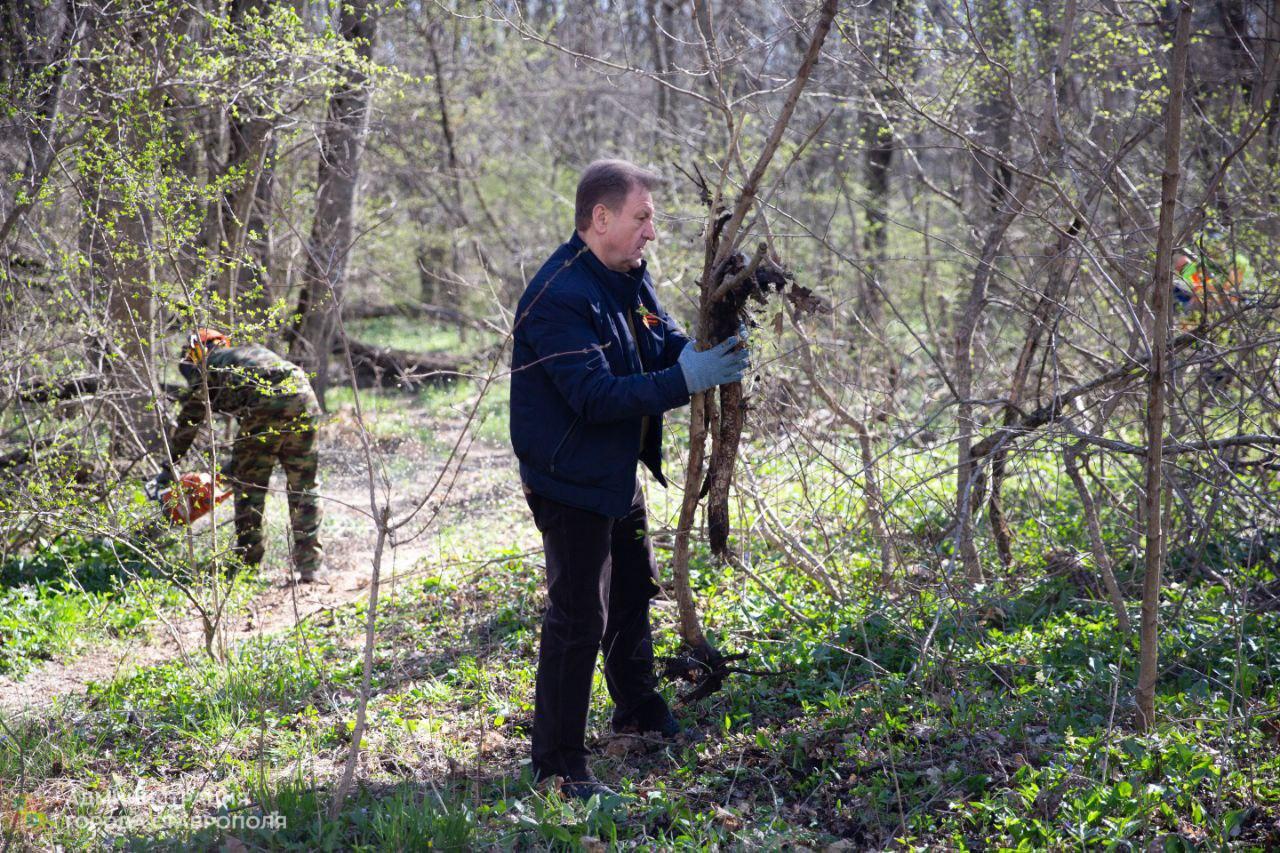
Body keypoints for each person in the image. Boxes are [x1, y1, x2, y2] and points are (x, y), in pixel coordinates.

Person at [509, 159, 749, 799]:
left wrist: (699, 350)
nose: (651, 232)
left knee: (634, 590)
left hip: (614, 470)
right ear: (601, 219)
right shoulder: (557, 296)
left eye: (652, 219)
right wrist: (685, 381)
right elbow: (593, 396)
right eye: (642, 218)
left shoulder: (625, 277)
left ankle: (637, 712)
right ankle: (557, 767)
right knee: (577, 615)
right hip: (567, 479)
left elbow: (658, 336)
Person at [158, 328, 325, 582]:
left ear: (198, 351)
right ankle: (310, 566)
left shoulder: (210, 365)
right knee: (304, 487)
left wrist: (170, 465)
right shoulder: (248, 353)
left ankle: (247, 566)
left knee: (249, 487)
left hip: (265, 404)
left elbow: (189, 422)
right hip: (304, 395)